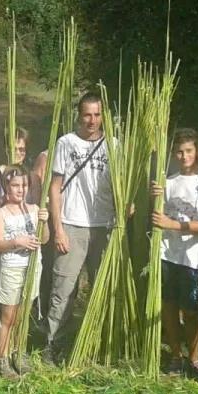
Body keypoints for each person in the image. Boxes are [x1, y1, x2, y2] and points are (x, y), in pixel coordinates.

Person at [46, 93, 114, 362]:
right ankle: (54, 343)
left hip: (104, 226)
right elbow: (55, 188)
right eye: (87, 114)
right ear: (79, 115)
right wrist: (58, 228)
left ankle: (96, 343)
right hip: (72, 225)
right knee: (63, 289)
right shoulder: (66, 143)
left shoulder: (114, 145)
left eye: (97, 115)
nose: (92, 120)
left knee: (103, 288)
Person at [150, 129, 198, 378]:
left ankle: (194, 357)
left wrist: (173, 225)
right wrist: (154, 199)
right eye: (179, 152)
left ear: (197, 151)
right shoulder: (168, 182)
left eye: (189, 151)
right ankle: (176, 355)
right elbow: (158, 216)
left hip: (194, 257)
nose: (184, 156)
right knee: (169, 305)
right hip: (168, 253)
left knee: (191, 309)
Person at [0, 166, 49, 378]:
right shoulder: (2, 213)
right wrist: (16, 241)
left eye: (24, 185)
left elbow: (44, 239)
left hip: (33, 267)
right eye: (15, 185)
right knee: (9, 315)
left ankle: (18, 351)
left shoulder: (34, 209)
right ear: (7, 187)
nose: (20, 189)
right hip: (12, 267)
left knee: (23, 314)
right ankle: (3, 357)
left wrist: (44, 222)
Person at [0, 128, 33, 338]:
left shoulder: (29, 177)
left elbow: (34, 204)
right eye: (14, 148)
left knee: (18, 292)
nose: (18, 153)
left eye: (22, 149)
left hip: (22, 244)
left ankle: (12, 336)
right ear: (5, 149)